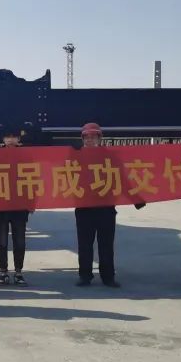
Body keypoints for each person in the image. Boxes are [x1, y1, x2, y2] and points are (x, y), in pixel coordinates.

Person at [73, 122, 144, 288]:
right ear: (82, 139)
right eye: (87, 137)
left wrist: (136, 199)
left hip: (105, 208)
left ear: (100, 138)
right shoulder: (76, 157)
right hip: (84, 208)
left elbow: (122, 180)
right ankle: (85, 276)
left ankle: (108, 277)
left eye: (93, 137)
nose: (90, 140)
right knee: (84, 244)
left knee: (106, 244)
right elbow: (61, 177)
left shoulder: (110, 158)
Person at [0, 127, 31, 287]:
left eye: (14, 136)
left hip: (20, 205)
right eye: (8, 136)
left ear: (19, 139)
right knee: (2, 241)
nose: (11, 139)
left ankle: (18, 272)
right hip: (0, 204)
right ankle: (3, 272)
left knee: (19, 241)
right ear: (3, 139)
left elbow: (33, 179)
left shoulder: (26, 156)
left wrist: (32, 202)